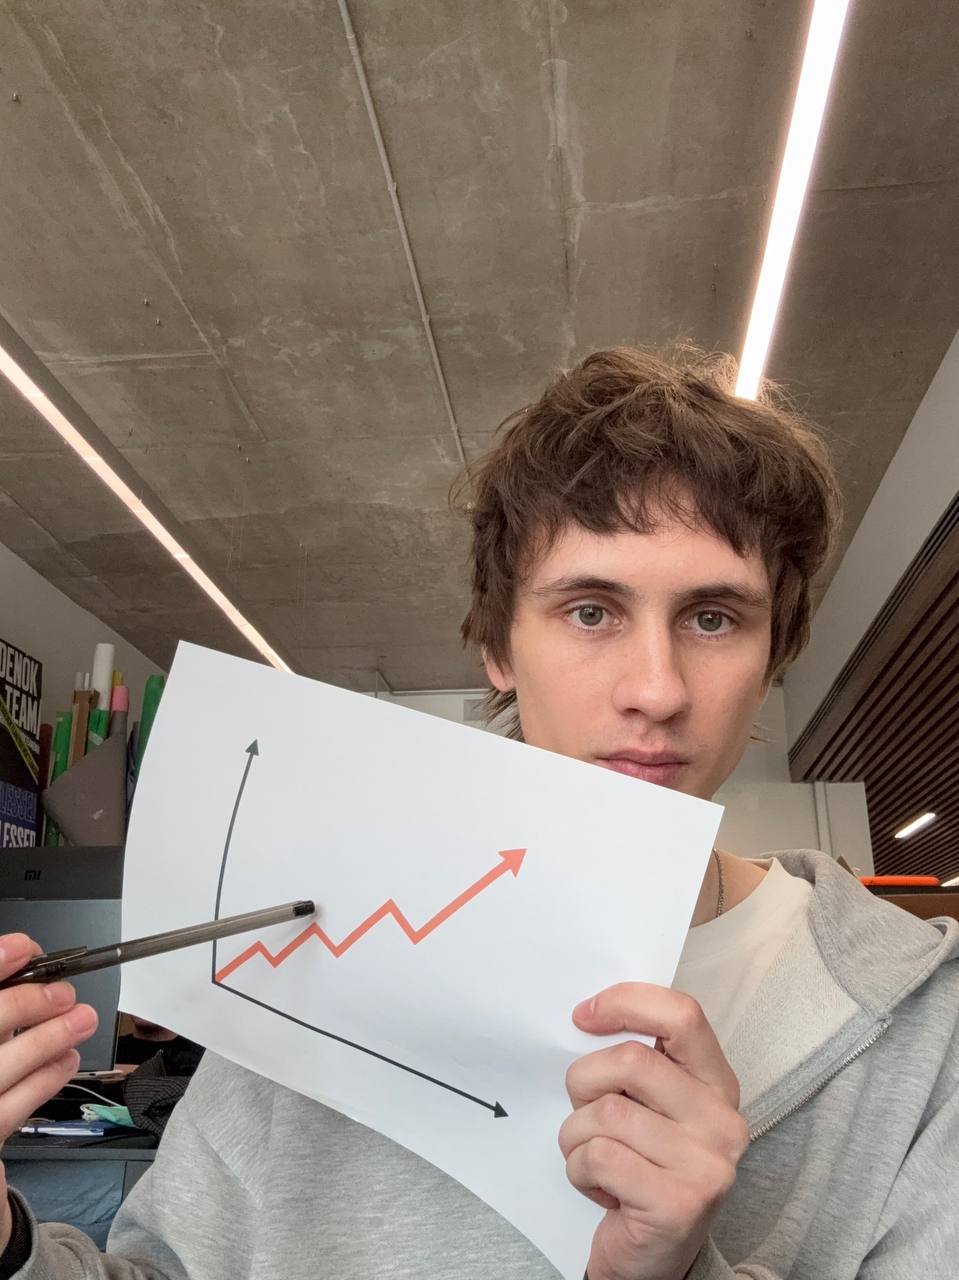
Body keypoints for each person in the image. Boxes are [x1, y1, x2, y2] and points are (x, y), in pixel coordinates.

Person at [1, 347, 956, 1279]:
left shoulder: (919, 1025)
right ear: (498, 646)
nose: (656, 690)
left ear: (773, 653)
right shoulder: (315, 955)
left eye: (713, 618)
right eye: (590, 611)